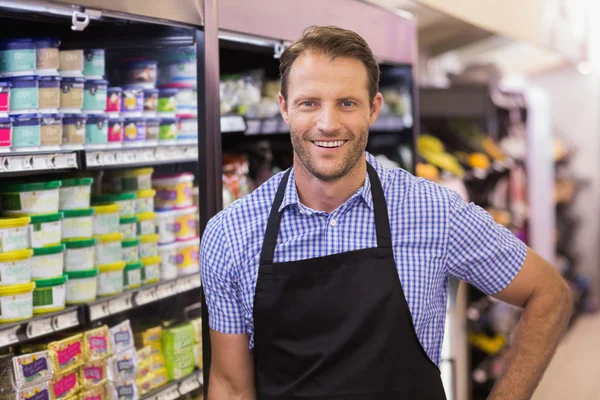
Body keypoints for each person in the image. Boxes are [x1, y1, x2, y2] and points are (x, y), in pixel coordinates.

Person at [201, 25, 573, 400]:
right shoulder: (231, 234)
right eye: (308, 102)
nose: (327, 123)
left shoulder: (432, 212)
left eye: (347, 103)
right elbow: (232, 387)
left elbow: (549, 293)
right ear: (284, 108)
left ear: (373, 109)